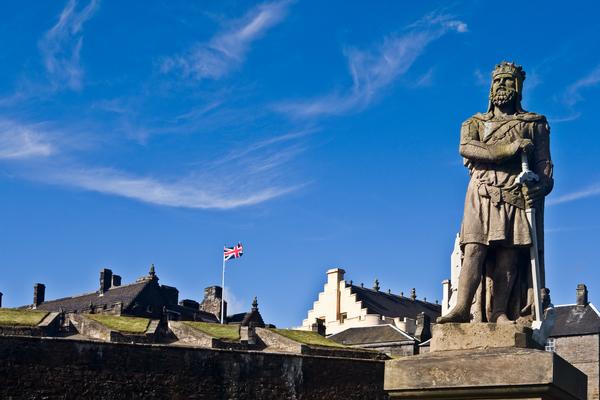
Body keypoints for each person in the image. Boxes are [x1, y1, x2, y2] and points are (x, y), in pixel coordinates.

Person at [438, 62, 553, 324]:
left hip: (515, 194)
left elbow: (544, 167)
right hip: (482, 192)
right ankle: (461, 307)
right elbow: (467, 148)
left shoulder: (534, 124)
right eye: (497, 81)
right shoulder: (474, 123)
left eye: (508, 80)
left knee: (509, 255)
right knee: (474, 248)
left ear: (519, 88)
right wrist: (508, 149)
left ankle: (500, 311)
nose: (501, 85)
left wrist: (541, 188)